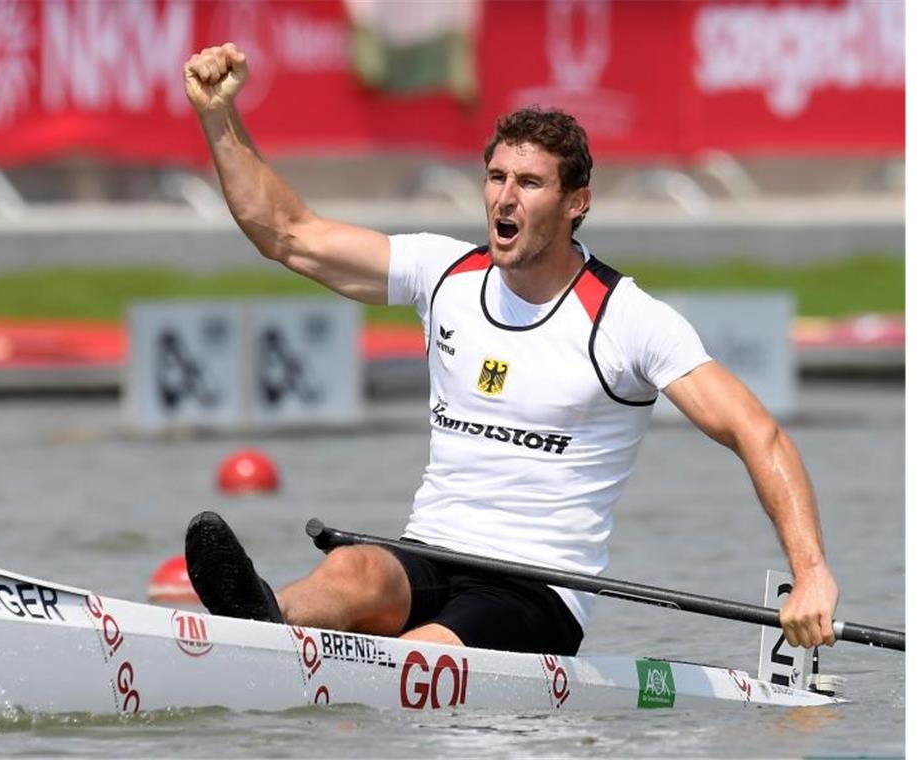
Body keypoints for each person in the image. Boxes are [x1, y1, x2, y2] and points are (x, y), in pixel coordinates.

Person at [180, 42, 839, 656]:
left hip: (536, 592)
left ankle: (287, 654)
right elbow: (288, 234)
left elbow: (759, 435)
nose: (505, 196)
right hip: (429, 556)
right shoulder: (443, 274)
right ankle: (260, 628)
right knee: (353, 568)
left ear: (576, 202)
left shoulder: (627, 320)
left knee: (421, 656)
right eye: (496, 177)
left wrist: (809, 577)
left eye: (529, 182)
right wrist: (220, 115)